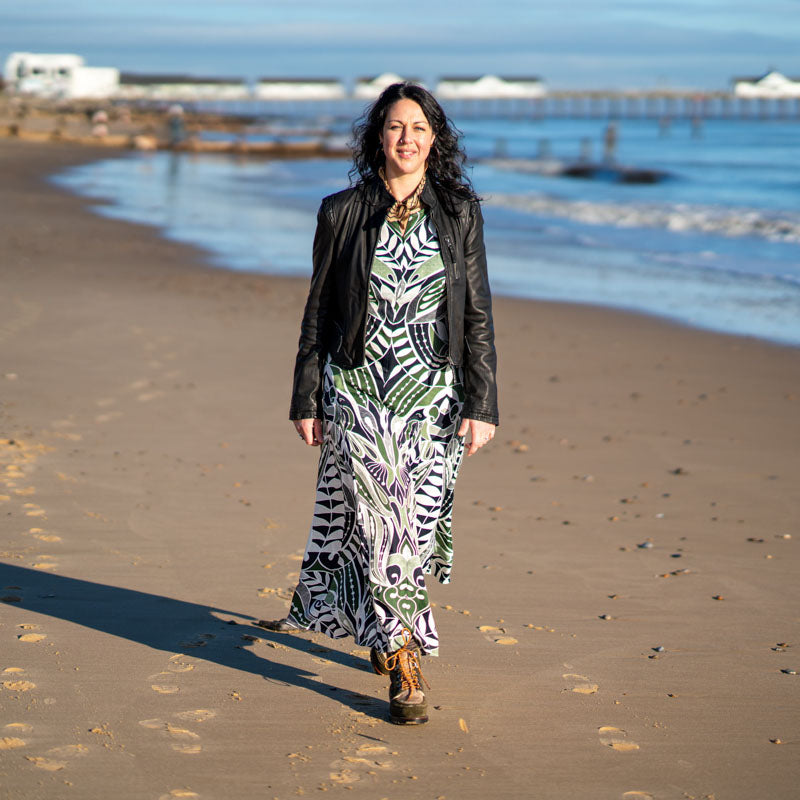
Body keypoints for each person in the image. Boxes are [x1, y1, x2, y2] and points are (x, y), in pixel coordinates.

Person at [264, 82, 499, 725]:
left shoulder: (459, 212)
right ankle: (403, 659)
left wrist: (484, 403)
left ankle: (379, 624)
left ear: (434, 139)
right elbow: (318, 310)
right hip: (359, 387)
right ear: (377, 138)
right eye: (395, 127)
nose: (407, 139)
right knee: (379, 523)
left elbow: (476, 312)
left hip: (433, 394)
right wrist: (305, 395)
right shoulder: (341, 211)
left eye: (418, 128)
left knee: (412, 527)